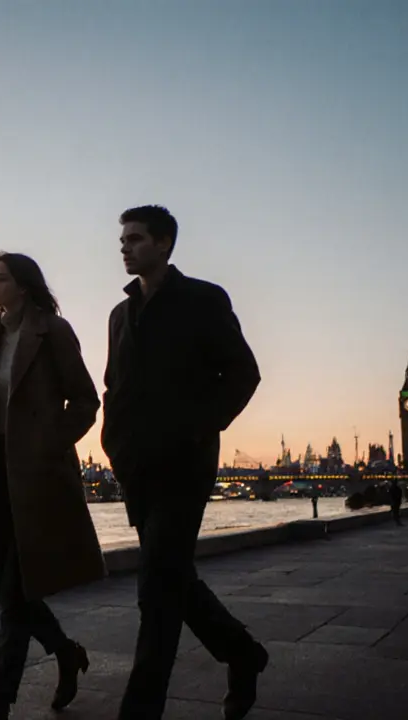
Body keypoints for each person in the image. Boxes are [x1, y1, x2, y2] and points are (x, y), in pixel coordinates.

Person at [101, 206, 268, 720]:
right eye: (122, 239)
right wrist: (115, 446)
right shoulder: (119, 314)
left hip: (185, 465)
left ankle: (140, 711)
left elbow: (243, 373)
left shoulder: (203, 299)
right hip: (138, 470)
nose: (124, 246)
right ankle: (242, 653)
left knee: (155, 588)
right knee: (173, 579)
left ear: (165, 244)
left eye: (135, 238)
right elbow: (115, 388)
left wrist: (200, 427)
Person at [0, 252, 107, 720]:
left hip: (34, 475)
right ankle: (64, 650)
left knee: (16, 592)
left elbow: (84, 400)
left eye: (0, 279)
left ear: (24, 285)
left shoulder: (52, 331)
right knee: (6, 586)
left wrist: (48, 443)